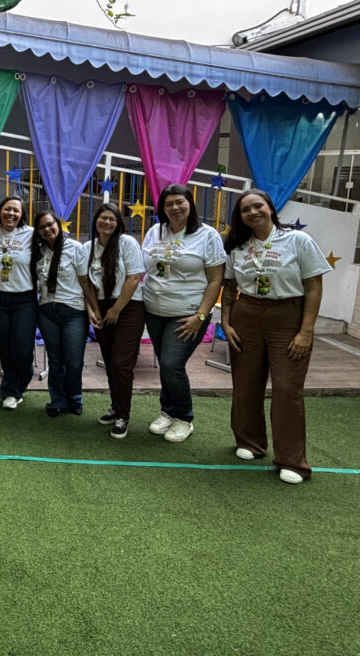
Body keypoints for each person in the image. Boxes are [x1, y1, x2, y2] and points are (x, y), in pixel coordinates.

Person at [221, 188, 331, 484]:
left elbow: (314, 287)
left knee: (287, 388)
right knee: (245, 384)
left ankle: (292, 461)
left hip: (288, 316)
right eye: (245, 210)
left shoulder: (298, 240)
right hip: (246, 316)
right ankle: (250, 442)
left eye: (258, 206)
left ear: (270, 208)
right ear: (240, 217)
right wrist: (226, 323)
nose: (253, 212)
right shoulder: (237, 246)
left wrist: (306, 331)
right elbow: (229, 288)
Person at [141, 184, 226, 443]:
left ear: (190, 203)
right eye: (169, 204)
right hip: (154, 310)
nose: (175, 208)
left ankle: (184, 418)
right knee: (166, 364)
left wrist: (201, 316)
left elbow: (216, 280)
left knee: (172, 364)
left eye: (180, 202)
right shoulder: (156, 231)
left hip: (188, 313)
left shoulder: (207, 235)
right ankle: (167, 411)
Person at [80, 203, 146, 439]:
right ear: (95, 220)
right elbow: (86, 282)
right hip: (102, 306)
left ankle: (123, 416)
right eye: (103, 218)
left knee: (121, 363)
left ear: (118, 223)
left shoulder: (127, 243)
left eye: (112, 219)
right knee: (110, 361)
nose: (106, 222)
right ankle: (116, 407)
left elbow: (134, 277)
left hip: (128, 306)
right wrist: (94, 309)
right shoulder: (88, 247)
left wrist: (117, 309)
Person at [0, 195, 36, 410]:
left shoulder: (32, 234)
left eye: (16, 210)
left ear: (22, 214)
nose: (11, 213)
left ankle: (22, 379)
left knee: (22, 349)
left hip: (24, 298)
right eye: (7, 209)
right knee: (5, 347)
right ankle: (10, 391)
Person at [31, 210, 90, 417]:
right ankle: (57, 400)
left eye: (50, 224)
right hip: (47, 311)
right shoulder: (39, 252)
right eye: (41, 227)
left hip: (74, 311)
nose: (47, 229)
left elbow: (85, 281)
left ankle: (75, 398)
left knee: (73, 362)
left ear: (58, 224)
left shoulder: (75, 248)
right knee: (55, 361)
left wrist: (92, 309)